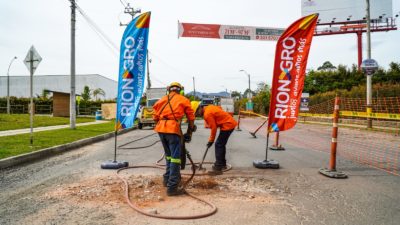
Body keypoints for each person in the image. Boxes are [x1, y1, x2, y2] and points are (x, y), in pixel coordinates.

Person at [152, 82, 195, 196]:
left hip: (161, 129)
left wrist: (162, 123)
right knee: (175, 158)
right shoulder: (184, 100)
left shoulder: (161, 100)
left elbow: (155, 117)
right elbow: (191, 117)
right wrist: (189, 132)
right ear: (180, 90)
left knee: (169, 156)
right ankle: (172, 187)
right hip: (173, 129)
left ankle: (167, 180)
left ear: (169, 90)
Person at [198, 104, 237, 175]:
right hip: (229, 123)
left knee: (218, 144)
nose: (197, 114)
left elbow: (214, 128)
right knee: (221, 144)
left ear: (200, 108)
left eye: (197, 112)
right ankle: (222, 164)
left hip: (228, 125)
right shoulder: (209, 107)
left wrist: (211, 140)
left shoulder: (207, 113)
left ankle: (218, 166)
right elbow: (219, 108)